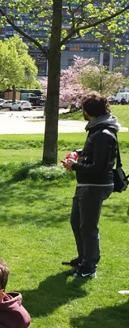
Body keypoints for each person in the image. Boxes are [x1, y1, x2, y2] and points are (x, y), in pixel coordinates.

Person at [61, 92, 119, 278]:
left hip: (95, 185)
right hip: (87, 184)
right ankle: (83, 257)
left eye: (84, 108)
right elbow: (91, 153)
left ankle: (89, 266)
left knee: (88, 226)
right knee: (76, 222)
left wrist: (74, 165)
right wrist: (77, 153)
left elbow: (99, 167)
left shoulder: (103, 133)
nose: (82, 112)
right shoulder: (97, 128)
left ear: (89, 111)